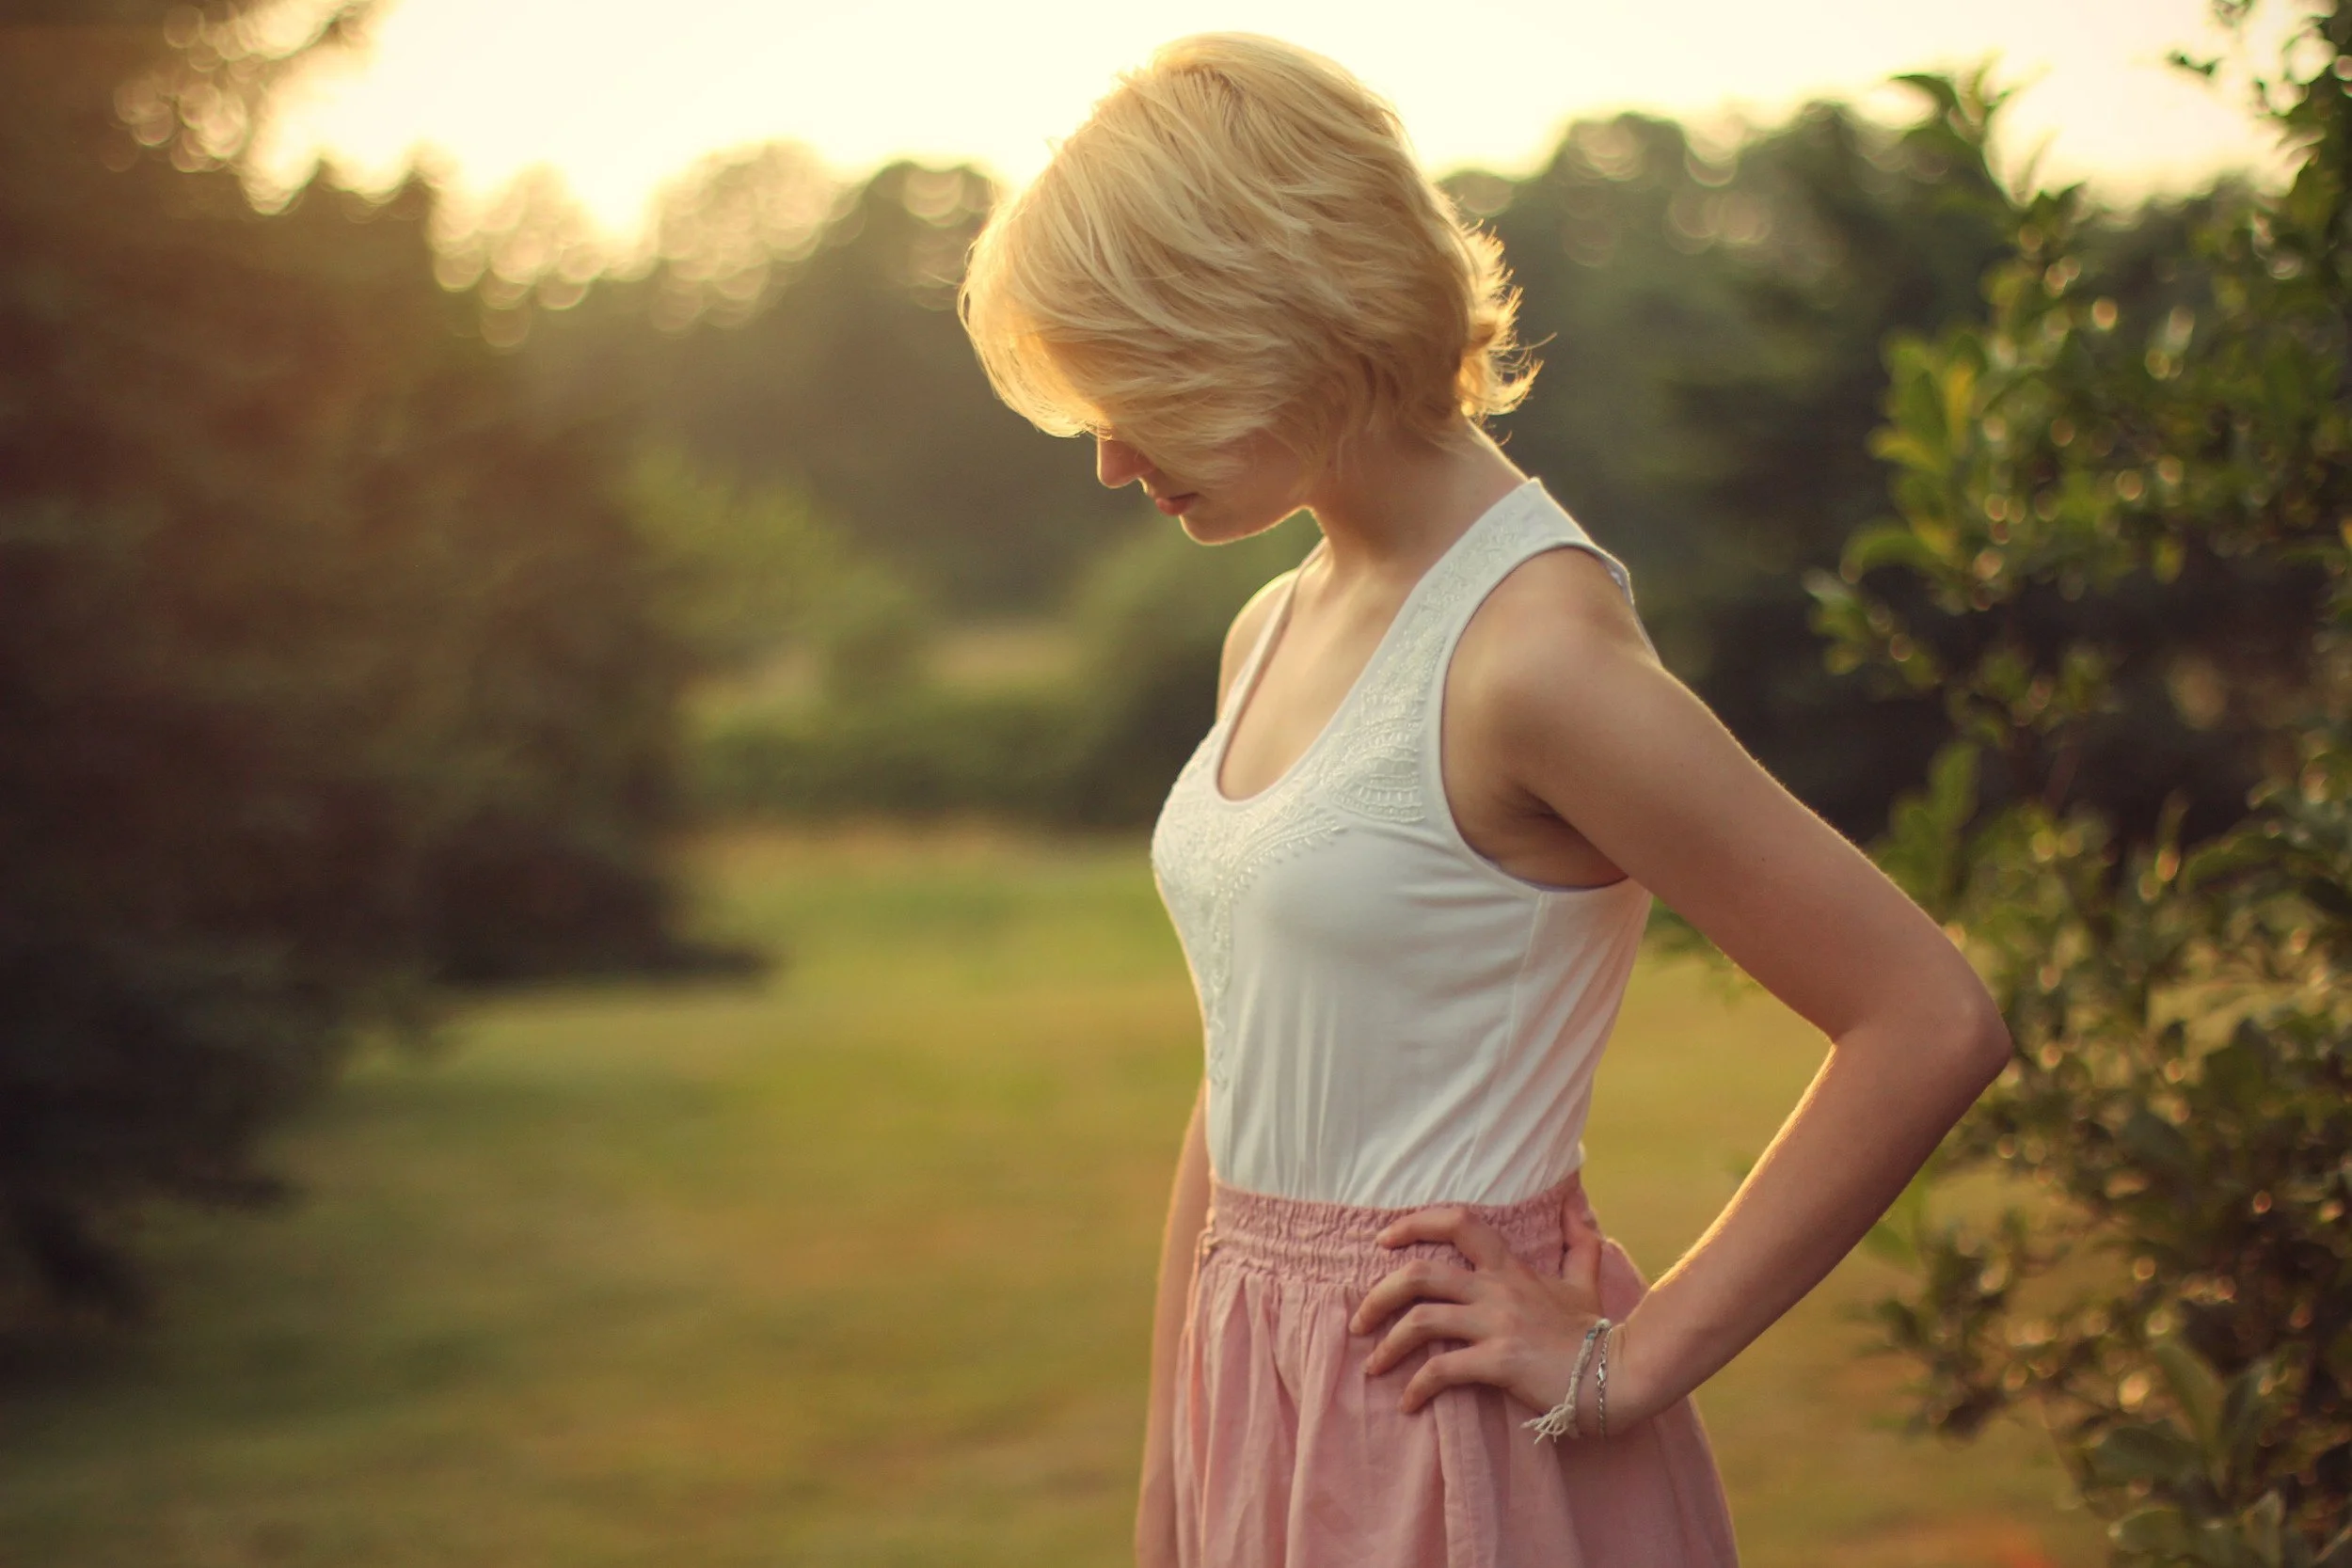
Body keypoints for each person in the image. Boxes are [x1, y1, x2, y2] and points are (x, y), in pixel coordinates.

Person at [958, 33, 2011, 1568]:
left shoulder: (1534, 655)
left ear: (1275, 314)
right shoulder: (1274, 624)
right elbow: (1248, 1070)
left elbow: (1927, 1016)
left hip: (1434, 1423)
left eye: (1140, 393)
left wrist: (1626, 1360)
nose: (1112, 458)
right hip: (1255, 1405)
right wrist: (1172, 1482)